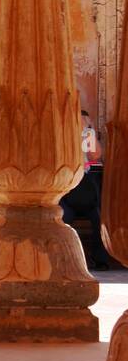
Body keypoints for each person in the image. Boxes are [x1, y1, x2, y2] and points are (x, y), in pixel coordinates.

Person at [60, 108, 109, 270]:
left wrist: (87, 131)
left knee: (100, 218)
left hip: (90, 195)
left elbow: (94, 156)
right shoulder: (62, 137)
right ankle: (63, 260)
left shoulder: (88, 136)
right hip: (67, 195)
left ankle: (100, 259)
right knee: (62, 219)